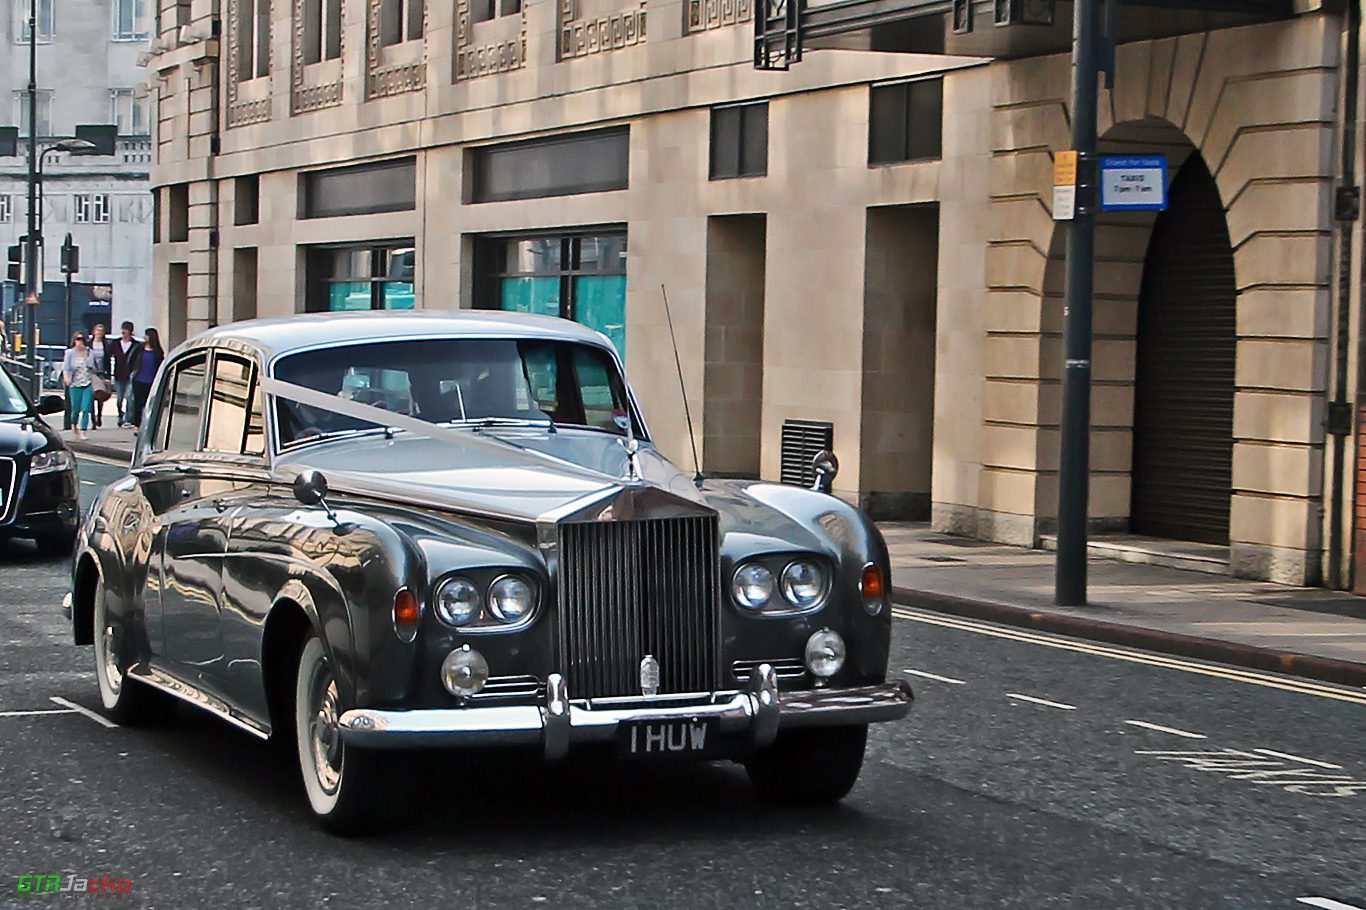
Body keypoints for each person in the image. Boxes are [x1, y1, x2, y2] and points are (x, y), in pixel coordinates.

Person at [61, 332, 95, 440]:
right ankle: (73, 424)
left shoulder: (89, 352)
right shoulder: (70, 353)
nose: (80, 342)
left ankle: (83, 431)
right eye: (78, 339)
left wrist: (85, 356)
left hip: (87, 383)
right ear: (74, 341)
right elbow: (66, 367)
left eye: (82, 339)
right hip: (75, 383)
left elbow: (91, 366)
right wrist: (66, 379)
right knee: (75, 409)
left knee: (85, 408)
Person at [128, 327, 163, 428]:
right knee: (138, 403)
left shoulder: (157, 352)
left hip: (151, 380)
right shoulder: (139, 348)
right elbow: (131, 360)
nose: (145, 337)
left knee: (150, 403)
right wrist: (132, 372)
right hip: (139, 379)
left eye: (147, 335)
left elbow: (159, 364)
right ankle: (137, 425)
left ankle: (149, 424)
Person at [108, 321, 140, 427]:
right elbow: (108, 356)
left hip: (130, 375)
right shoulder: (116, 344)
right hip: (118, 374)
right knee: (119, 398)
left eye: (126, 331)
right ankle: (120, 414)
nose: (124, 334)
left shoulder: (136, 345)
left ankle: (127, 418)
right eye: (123, 331)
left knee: (130, 398)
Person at [88, 323, 110, 429]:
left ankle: (99, 416)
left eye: (101, 330)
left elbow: (108, 361)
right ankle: (93, 419)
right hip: (91, 373)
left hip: (101, 372)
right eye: (98, 330)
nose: (99, 332)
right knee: (92, 396)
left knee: (101, 396)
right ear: (94, 332)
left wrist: (108, 376)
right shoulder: (89, 344)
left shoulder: (105, 345)